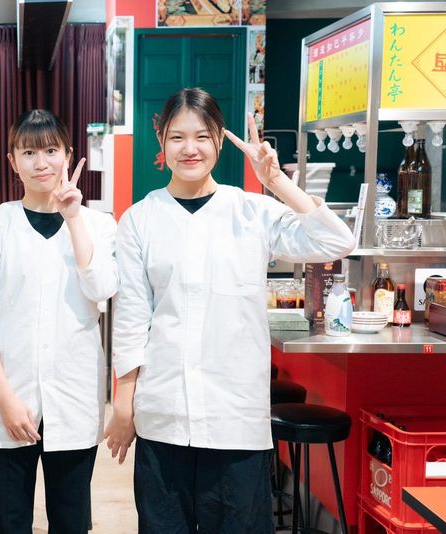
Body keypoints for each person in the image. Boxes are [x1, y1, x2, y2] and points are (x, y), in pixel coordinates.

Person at [103, 87, 355, 533]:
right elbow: (131, 320)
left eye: (202, 136)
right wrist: (124, 404)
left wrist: (277, 182)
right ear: (161, 140)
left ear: (220, 139)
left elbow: (337, 242)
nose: (190, 148)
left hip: (235, 419)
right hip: (164, 415)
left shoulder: (252, 211)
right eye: (177, 137)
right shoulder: (140, 219)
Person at [0, 109, 118, 534]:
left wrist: (73, 218)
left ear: (68, 154)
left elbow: (101, 288)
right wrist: (6, 399)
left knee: (71, 520)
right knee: (10, 521)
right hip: (8, 397)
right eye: (29, 152)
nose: (41, 162)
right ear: (12, 161)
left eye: (50, 151)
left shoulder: (99, 225)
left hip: (73, 396)